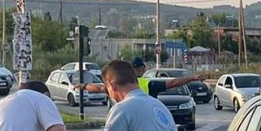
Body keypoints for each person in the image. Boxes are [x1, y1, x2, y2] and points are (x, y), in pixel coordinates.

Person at [78, 57, 206, 99]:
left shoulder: (119, 84)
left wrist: (83, 86)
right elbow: (173, 83)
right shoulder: (149, 84)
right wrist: (192, 77)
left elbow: (98, 88)